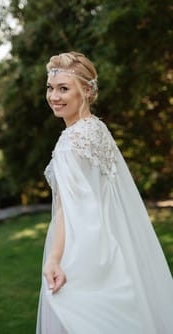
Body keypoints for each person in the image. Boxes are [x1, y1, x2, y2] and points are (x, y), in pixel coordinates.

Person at [36, 51, 173, 334]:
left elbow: (66, 208)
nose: (54, 96)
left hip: (81, 249)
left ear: (86, 91)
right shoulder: (97, 128)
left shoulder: (70, 142)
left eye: (64, 88)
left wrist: (53, 258)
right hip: (113, 242)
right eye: (51, 88)